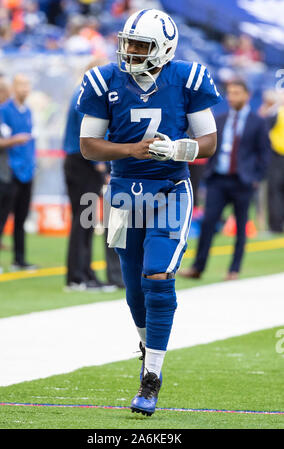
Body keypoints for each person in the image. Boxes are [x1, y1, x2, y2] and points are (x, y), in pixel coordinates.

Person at [77, 8, 221, 416]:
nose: (131, 51)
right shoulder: (104, 79)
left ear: (164, 49)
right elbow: (89, 144)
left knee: (157, 275)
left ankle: (152, 377)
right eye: (128, 43)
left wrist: (177, 149)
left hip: (171, 189)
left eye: (140, 45)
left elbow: (208, 142)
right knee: (135, 294)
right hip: (124, 192)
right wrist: (131, 150)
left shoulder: (187, 77)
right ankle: (148, 348)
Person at [179, 80, 270, 282]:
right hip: (218, 180)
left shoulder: (257, 122)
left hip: (243, 181)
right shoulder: (219, 120)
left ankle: (234, 269)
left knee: (240, 226)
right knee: (208, 224)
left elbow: (264, 153)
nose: (232, 97)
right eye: (229, 93)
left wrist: (256, 178)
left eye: (237, 92)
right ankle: (198, 267)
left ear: (247, 95)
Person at [63, 84, 119, 292]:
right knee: (83, 221)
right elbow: (88, 135)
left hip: (80, 163)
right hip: (84, 164)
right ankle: (77, 277)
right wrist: (100, 164)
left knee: (86, 220)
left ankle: (85, 273)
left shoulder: (80, 93)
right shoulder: (86, 96)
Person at [0, 76, 31, 274]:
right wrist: (14, 141)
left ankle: (10, 259)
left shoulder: (27, 111)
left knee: (4, 218)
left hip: (5, 173)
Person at [0, 74, 36, 270]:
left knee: (21, 218)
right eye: (21, 85)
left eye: (27, 85)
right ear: (13, 87)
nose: (25, 89)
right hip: (10, 171)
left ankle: (19, 259)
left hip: (27, 171)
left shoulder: (28, 111)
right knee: (0, 216)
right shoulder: (4, 111)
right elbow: (1, 139)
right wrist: (16, 140)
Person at [259, 90, 284, 233]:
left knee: (275, 191)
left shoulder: (277, 112)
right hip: (277, 155)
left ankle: (275, 226)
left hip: (277, 155)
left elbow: (263, 126)